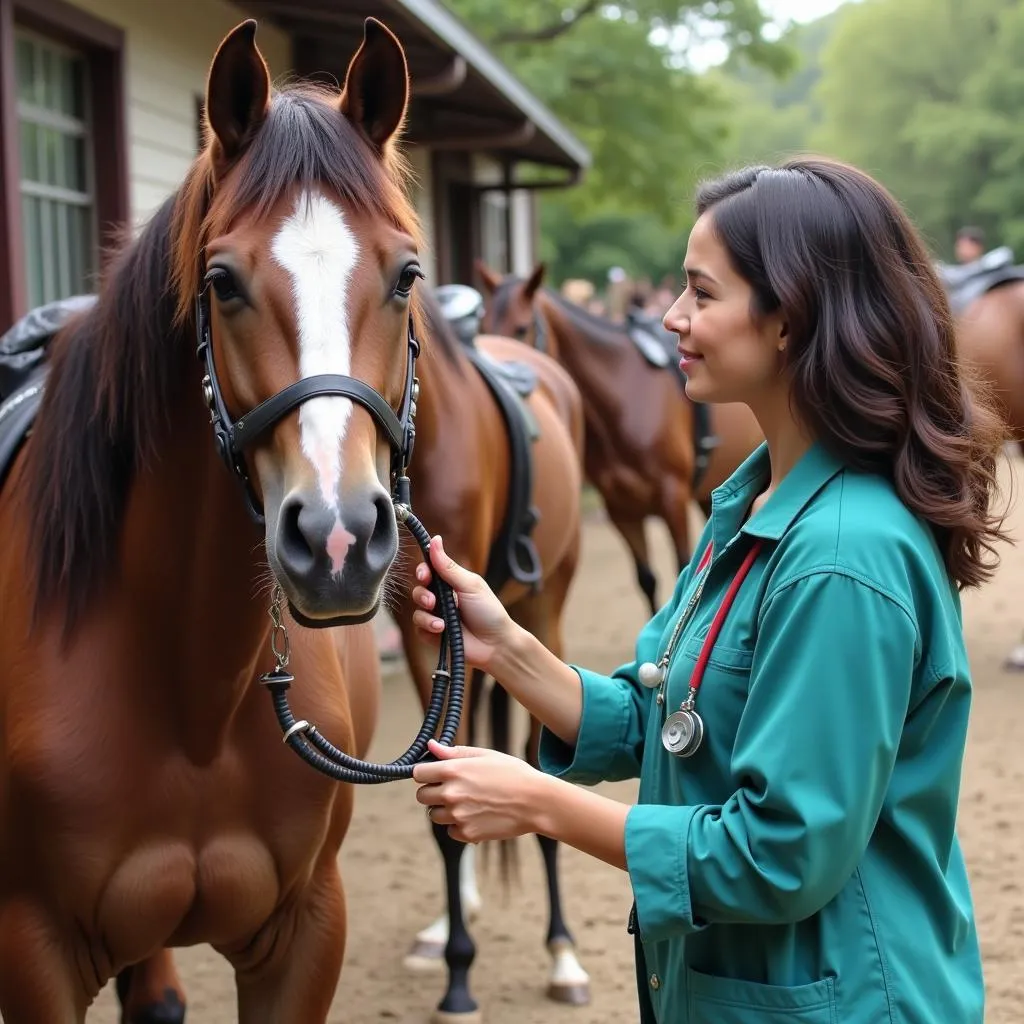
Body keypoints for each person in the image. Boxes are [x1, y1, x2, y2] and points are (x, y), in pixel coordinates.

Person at [411, 157, 1009, 1023]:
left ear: (788, 319)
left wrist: (541, 804)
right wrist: (505, 646)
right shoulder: (759, 502)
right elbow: (672, 721)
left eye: (702, 292)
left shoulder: (842, 555)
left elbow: (781, 854)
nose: (672, 317)